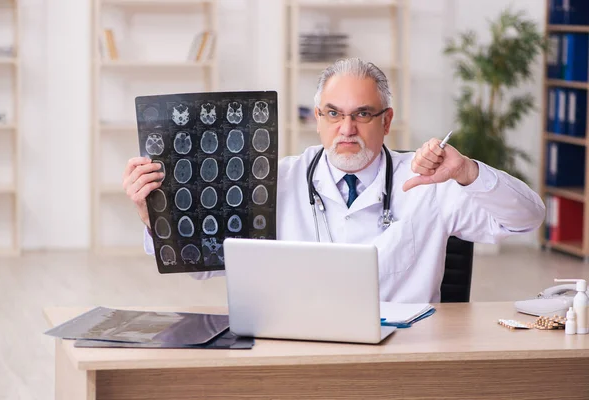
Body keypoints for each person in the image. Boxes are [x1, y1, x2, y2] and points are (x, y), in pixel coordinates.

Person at [122, 58, 545, 303]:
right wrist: (153, 216)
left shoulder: (429, 181)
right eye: (333, 113)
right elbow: (203, 267)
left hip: (404, 358)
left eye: (362, 114)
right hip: (300, 353)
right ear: (317, 119)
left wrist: (469, 173)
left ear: (386, 121)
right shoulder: (274, 179)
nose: (347, 128)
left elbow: (527, 220)